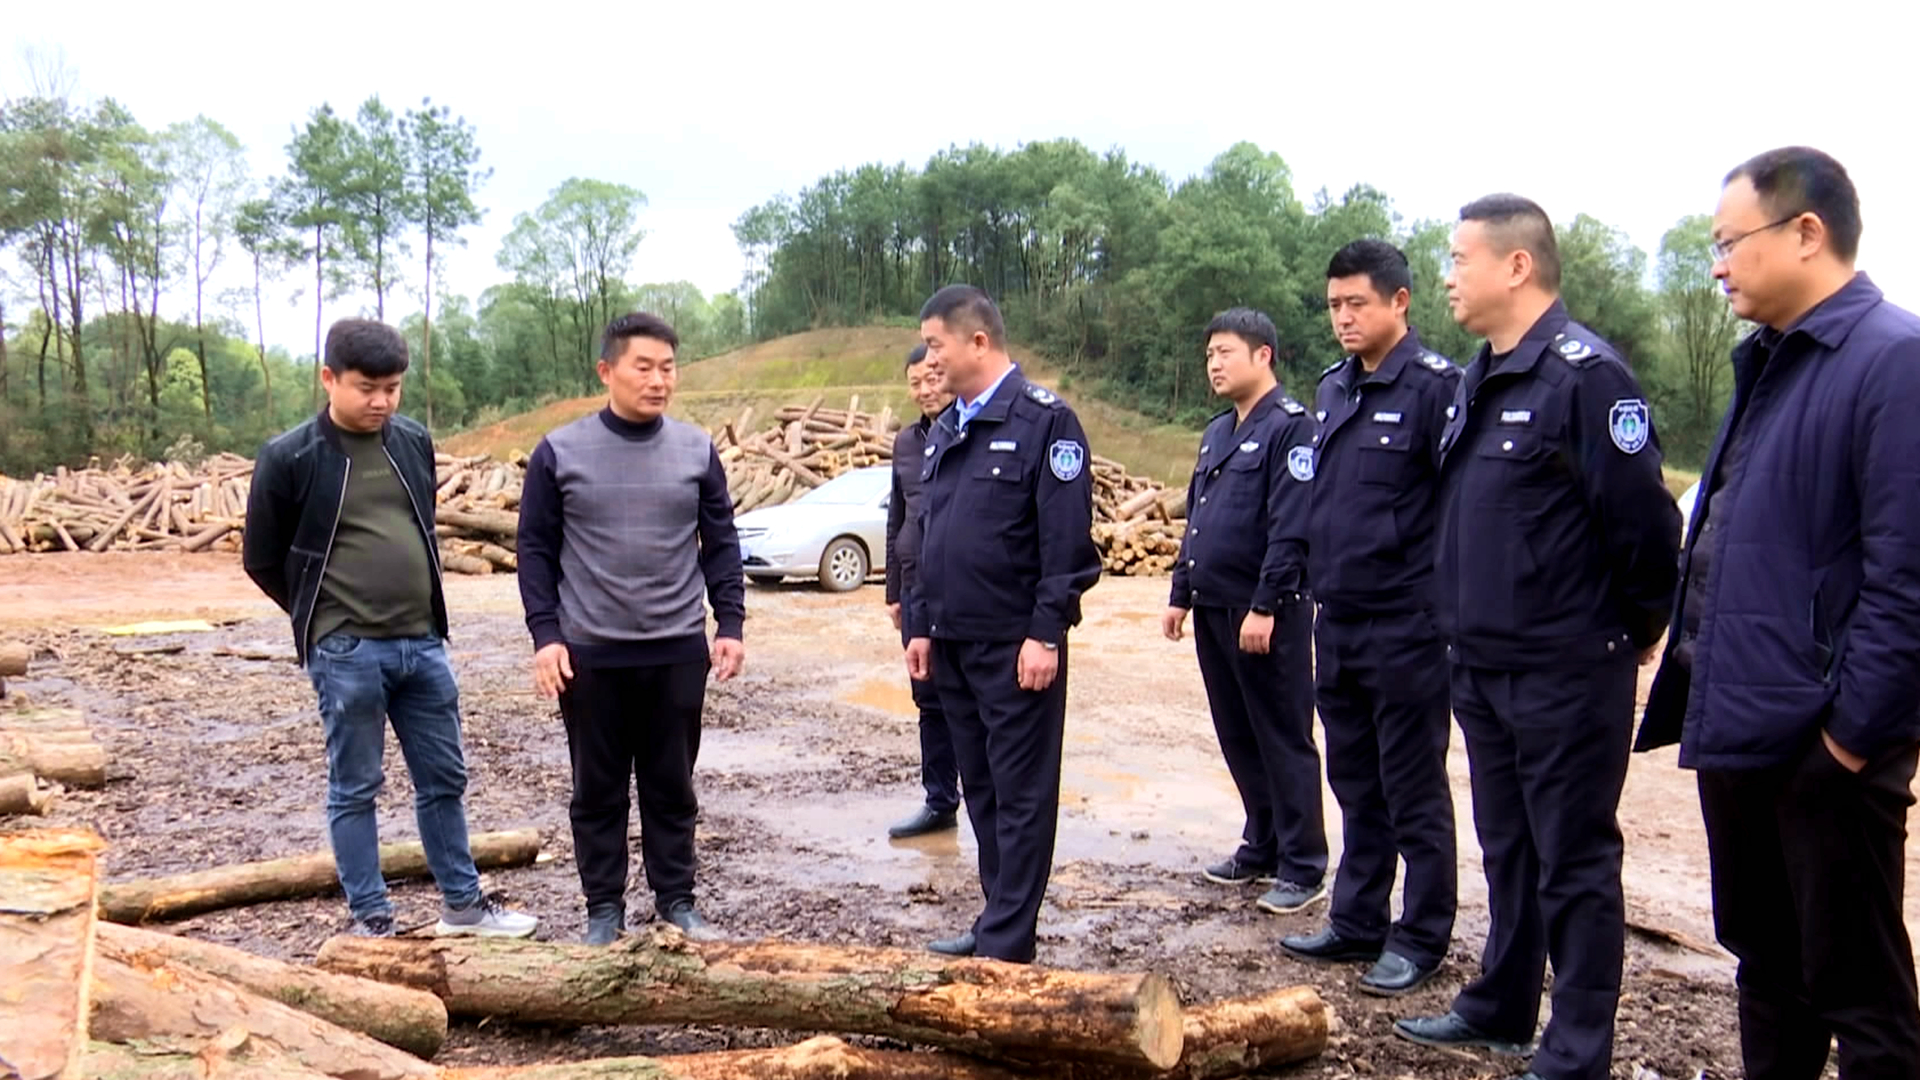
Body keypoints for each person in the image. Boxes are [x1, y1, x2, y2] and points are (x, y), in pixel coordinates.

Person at [1638, 147, 1920, 1079]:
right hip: (1742, 730)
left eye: (1730, 242)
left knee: (1860, 992)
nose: (1718, 266)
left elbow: (1907, 577)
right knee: (1768, 970)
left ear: (1806, 232)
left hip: (1824, 750)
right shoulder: (1770, 362)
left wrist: (1850, 741)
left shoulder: (1893, 360)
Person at [1393, 195, 1680, 1080]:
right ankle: (1502, 1005)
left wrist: (1632, 630)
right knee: (1510, 850)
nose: (1447, 276)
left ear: (1516, 266)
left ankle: (1577, 1049)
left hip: (1565, 670)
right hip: (1482, 665)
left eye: (1460, 258)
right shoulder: (1480, 377)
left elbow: (1645, 530)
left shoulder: (1585, 378)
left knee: (1575, 860)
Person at [242, 318, 538, 940]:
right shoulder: (291, 456)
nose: (381, 401)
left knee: (444, 778)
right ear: (329, 379)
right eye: (366, 388)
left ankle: (463, 905)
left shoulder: (411, 441)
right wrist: (322, 620)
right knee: (356, 786)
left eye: (392, 388)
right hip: (346, 651)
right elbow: (262, 559)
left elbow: (419, 524)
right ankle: (373, 918)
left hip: (423, 643)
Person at [516, 311, 746, 947]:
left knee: (672, 785)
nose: (658, 380)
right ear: (606, 371)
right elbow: (534, 550)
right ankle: (603, 910)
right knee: (597, 789)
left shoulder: (696, 450)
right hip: (591, 653)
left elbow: (721, 543)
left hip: (677, 649)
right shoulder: (559, 451)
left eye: (668, 368)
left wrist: (730, 621)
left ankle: (677, 901)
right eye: (643, 367)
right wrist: (545, 635)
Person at [905, 284, 1102, 963]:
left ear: (978, 342)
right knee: (982, 789)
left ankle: (1008, 941)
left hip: (1015, 648)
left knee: (1021, 795)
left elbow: (1066, 546)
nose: (929, 360)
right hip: (954, 643)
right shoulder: (949, 427)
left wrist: (1046, 633)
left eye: (936, 345)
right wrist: (922, 625)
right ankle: (997, 915)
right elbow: (929, 535)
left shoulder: (1046, 422)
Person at [1282, 240, 1458, 996]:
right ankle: (1358, 919)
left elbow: (1457, 511)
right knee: (1355, 780)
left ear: (1399, 302)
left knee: (1413, 785)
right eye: (1334, 305)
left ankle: (1421, 934)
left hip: (1407, 624)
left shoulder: (1436, 389)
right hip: (1339, 619)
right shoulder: (1334, 388)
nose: (1343, 318)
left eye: (1357, 303)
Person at [1160, 308, 1328, 917]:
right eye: (1209, 354)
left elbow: (1292, 526)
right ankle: (1263, 843)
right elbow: (1199, 517)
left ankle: (1303, 863)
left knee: (1281, 734)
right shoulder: (1217, 432)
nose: (1214, 364)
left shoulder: (1291, 428)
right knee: (1237, 732)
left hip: (1266, 613)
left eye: (1225, 352)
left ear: (1263, 356)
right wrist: (1181, 592)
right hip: (1214, 607)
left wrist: (1266, 604)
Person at [884, 343, 961, 839]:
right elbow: (898, 517)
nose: (926, 390)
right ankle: (940, 801)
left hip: (961, 589)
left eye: (933, 378)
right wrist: (893, 590)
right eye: (916, 383)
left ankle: (992, 800)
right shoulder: (907, 443)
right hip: (915, 592)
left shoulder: (970, 433)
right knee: (928, 699)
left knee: (969, 698)